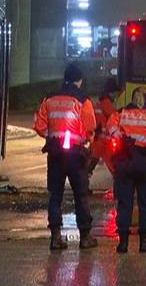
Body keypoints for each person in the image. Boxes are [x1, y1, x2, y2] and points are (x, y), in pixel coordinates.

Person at [33, 64, 98, 251]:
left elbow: (40, 125)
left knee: (55, 195)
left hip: (55, 154)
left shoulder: (50, 98)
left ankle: (55, 238)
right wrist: (86, 142)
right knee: (81, 195)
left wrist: (51, 137)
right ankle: (85, 237)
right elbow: (90, 128)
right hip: (76, 155)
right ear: (79, 80)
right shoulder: (83, 100)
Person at [107, 86, 146, 253]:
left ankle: (123, 243)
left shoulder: (121, 112)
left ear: (132, 98)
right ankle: (144, 242)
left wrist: (120, 138)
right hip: (144, 160)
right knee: (144, 203)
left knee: (124, 203)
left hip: (125, 160)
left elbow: (110, 125)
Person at [88, 78, 120, 179]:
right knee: (113, 164)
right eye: (115, 93)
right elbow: (114, 117)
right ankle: (121, 185)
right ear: (111, 92)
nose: (116, 95)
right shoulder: (106, 103)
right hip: (103, 140)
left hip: (97, 138)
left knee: (91, 163)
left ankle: (83, 184)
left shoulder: (100, 102)